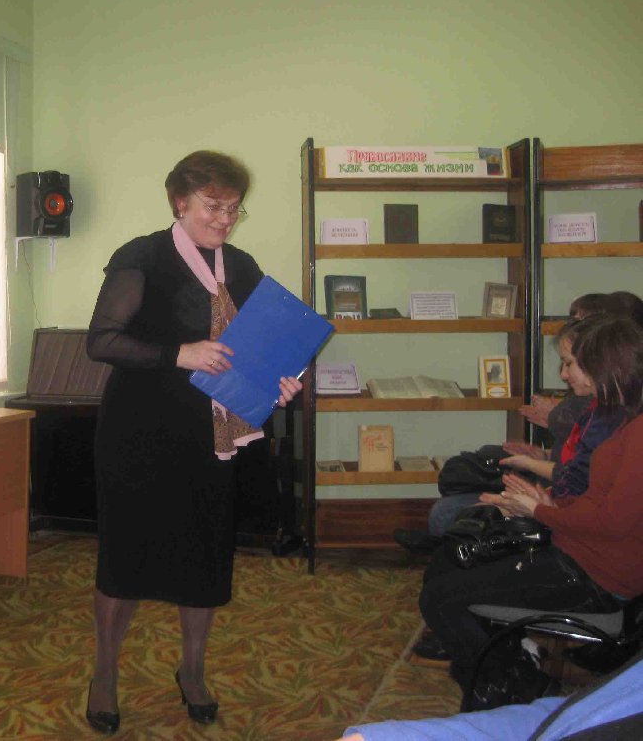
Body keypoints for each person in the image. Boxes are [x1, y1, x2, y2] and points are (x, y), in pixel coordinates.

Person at [83, 150, 303, 734]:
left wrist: (281, 381)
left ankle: (193, 671)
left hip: (211, 438)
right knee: (125, 560)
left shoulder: (243, 266)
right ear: (180, 202)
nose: (225, 219)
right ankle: (104, 674)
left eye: (234, 209)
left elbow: (261, 348)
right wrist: (178, 354)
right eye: (214, 206)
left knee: (204, 558)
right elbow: (102, 341)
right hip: (139, 433)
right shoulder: (143, 256)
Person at [416, 315, 643, 702]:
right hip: (581, 556)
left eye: (581, 364)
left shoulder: (633, 430)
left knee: (441, 598)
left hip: (596, 578)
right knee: (449, 580)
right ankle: (508, 681)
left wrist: (539, 511)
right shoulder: (623, 418)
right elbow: (599, 501)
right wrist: (547, 504)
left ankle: (514, 686)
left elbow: (613, 520)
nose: (569, 375)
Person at [396, 292, 629, 550]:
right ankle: (451, 544)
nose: (563, 374)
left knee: (446, 511)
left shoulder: (609, 414)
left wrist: (535, 499)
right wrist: (541, 456)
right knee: (460, 473)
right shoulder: (598, 404)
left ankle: (448, 544)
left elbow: (579, 486)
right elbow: (575, 463)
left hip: (557, 504)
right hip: (552, 491)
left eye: (582, 324)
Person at [333, 649, 643, 740]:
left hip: (586, 573)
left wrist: (540, 515)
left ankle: (511, 673)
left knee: (445, 595)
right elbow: (564, 720)